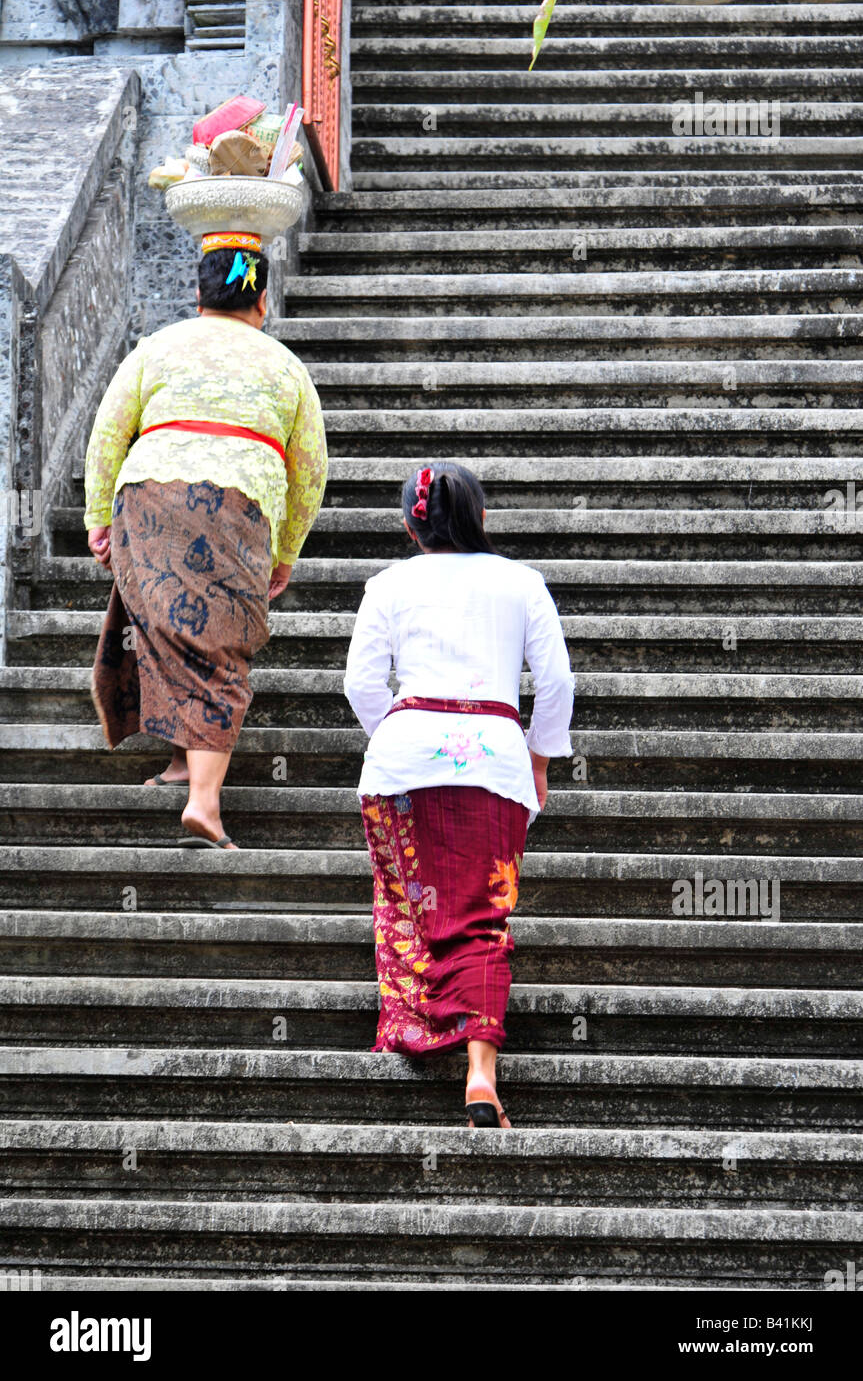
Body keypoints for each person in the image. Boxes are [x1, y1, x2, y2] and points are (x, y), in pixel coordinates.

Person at [344, 461, 574, 1126]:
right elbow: (555, 683)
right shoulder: (520, 583)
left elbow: (361, 684)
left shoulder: (387, 583)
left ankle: (418, 1027)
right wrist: (538, 758)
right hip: (494, 757)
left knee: (408, 900)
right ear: (480, 518)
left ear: (412, 525)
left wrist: (394, 734)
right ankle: (479, 1074)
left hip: (402, 760)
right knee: (483, 913)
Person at [84, 233, 328, 850]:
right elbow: (310, 470)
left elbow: (108, 432)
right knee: (220, 643)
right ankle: (203, 803)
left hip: (149, 496)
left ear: (198, 295)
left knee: (164, 625)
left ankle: (178, 763)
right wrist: (287, 550)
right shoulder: (286, 365)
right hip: (238, 503)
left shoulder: (157, 346)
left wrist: (98, 516)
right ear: (262, 301)